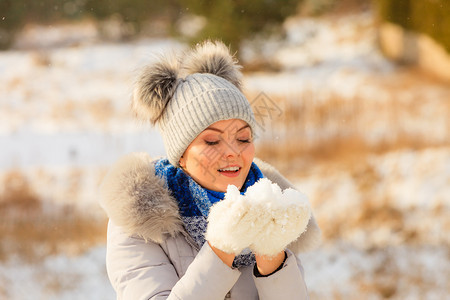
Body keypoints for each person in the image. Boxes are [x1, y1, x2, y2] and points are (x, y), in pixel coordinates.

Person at [99, 40, 321, 300]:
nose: (232, 152)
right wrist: (222, 247)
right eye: (212, 141)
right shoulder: (139, 221)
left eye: (243, 138)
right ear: (181, 155)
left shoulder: (270, 208)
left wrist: (272, 257)